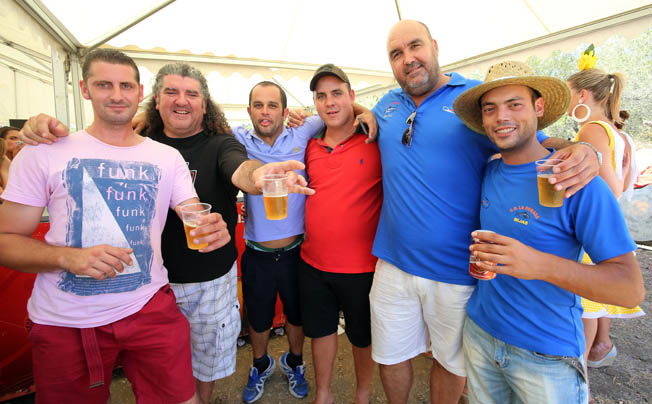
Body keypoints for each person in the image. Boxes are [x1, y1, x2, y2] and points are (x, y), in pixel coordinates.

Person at [18, 62, 313, 404]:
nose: (182, 101)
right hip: (150, 289)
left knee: (202, 368)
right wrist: (41, 128)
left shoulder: (220, 143)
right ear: (155, 99)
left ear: (205, 104)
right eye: (172, 92)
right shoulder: (141, 143)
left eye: (192, 94)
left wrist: (259, 177)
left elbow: (238, 168)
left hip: (206, 280)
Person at [368, 20, 602, 404]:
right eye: (397, 54)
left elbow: (536, 139)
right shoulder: (387, 104)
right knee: (391, 356)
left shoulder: (473, 101)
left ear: (435, 46)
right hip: (393, 263)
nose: (408, 59)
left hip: (457, 270)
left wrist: (587, 150)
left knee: (451, 362)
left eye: (415, 47)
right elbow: (354, 118)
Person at [0, 49, 235, 404]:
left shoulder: (165, 157)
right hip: (66, 320)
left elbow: (192, 213)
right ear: (84, 89)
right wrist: (68, 258)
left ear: (139, 94)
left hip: (149, 308)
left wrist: (212, 226)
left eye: (126, 85)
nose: (116, 94)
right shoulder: (44, 151)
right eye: (104, 84)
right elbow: (6, 240)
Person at [452, 60, 645, 403]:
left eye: (515, 104)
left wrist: (538, 264)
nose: (502, 117)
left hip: (546, 353)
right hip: (481, 333)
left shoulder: (577, 181)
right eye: (490, 108)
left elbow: (629, 290)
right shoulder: (489, 172)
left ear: (538, 107)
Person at [232, 81, 323, 403]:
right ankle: (260, 364)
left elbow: (338, 108)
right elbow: (199, 118)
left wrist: (364, 110)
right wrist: (144, 118)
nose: (265, 112)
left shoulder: (304, 128)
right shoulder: (238, 137)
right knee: (258, 318)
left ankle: (294, 363)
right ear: (249, 111)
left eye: (272, 105)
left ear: (285, 111)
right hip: (257, 253)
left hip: (297, 252)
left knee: (297, 316)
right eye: (258, 105)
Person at [298, 64, 382, 404]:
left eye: (336, 94)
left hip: (363, 267)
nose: (329, 102)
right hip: (313, 262)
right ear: (315, 104)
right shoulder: (308, 144)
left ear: (351, 97)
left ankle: (362, 394)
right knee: (320, 333)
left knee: (362, 338)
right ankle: (324, 394)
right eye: (321, 96)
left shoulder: (376, 138)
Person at [566, 67, 645, 399]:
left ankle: (575, 379)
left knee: (582, 309)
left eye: (569, 93)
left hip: (591, 230)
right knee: (593, 305)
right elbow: (626, 183)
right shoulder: (618, 132)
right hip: (613, 226)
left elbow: (609, 186)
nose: (567, 101)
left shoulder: (591, 130)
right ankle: (600, 349)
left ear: (583, 96)